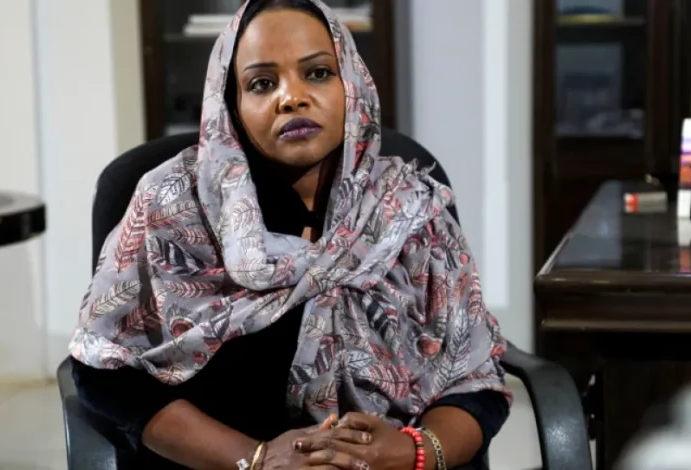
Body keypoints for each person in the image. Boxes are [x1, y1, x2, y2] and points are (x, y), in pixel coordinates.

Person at [69, 1, 511, 469]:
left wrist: (413, 451)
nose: (292, 97)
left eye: (318, 73)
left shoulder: (411, 207)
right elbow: (105, 369)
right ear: (231, 106)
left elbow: (475, 378)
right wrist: (256, 459)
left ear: (352, 85)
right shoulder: (173, 205)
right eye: (262, 83)